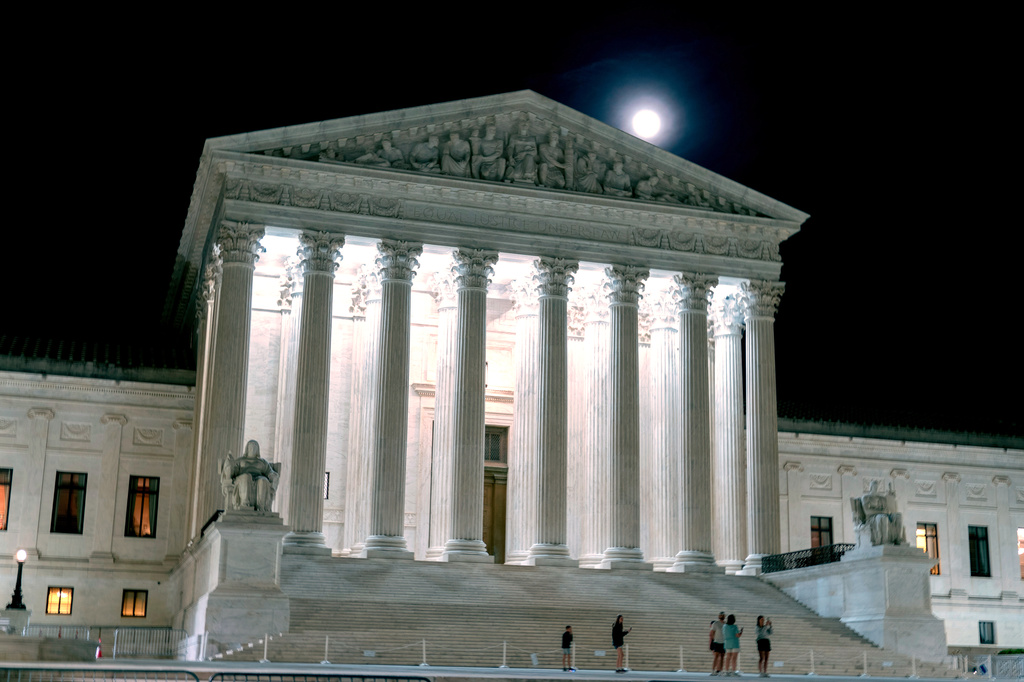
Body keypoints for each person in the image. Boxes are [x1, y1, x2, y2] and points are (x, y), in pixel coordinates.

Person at [710, 611, 726, 675]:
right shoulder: (715, 623)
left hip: (723, 642)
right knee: (716, 656)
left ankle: (720, 670)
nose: (721, 616)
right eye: (720, 615)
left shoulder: (726, 624)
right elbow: (712, 632)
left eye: (723, 615)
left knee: (722, 657)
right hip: (717, 642)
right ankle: (713, 670)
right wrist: (714, 640)